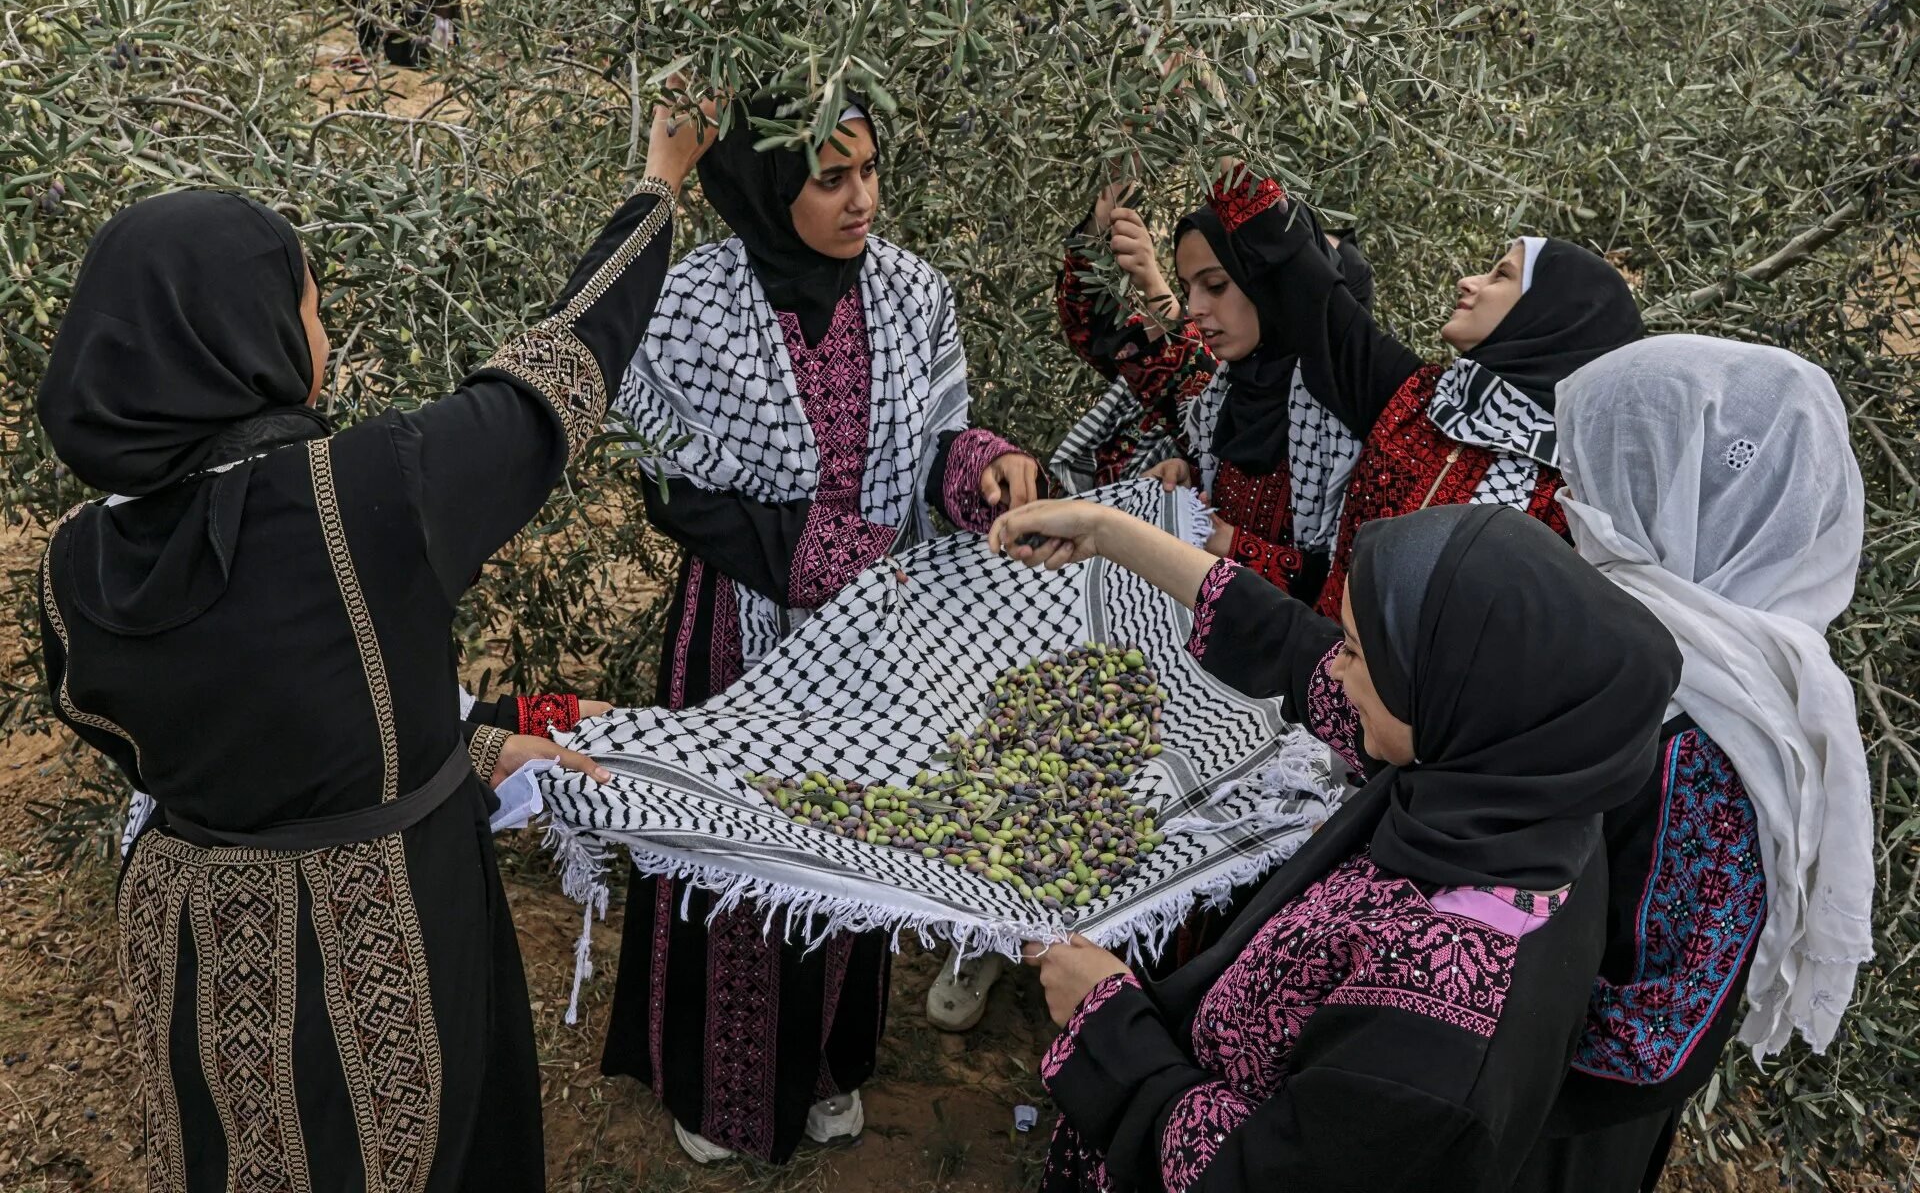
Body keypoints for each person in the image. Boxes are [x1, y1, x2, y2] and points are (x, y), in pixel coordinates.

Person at [31, 93, 713, 1191]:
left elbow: (210, 735)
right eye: (308, 305)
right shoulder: (366, 495)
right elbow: (560, 377)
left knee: (226, 1158)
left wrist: (465, 753)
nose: (324, 334)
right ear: (245, 333)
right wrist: (661, 181)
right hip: (383, 925)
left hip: (195, 941)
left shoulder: (70, 568)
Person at [984, 495, 1680, 1193]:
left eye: (1356, 650)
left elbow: (1248, 1175)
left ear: (1444, 688)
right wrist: (1108, 533)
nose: (1338, 672)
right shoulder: (1508, 786)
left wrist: (1105, 1019)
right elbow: (1289, 644)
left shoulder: (1438, 1026)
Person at [598, 94, 1042, 1165]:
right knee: (734, 853)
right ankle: (716, 1090)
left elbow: (940, 435)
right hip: (738, 636)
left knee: (845, 849)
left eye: (872, 172)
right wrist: (833, 560)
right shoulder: (696, 301)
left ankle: (831, 1069)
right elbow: (672, 488)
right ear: (765, 186)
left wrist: (984, 466)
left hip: (871, 644)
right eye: (832, 179)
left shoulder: (911, 291)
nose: (864, 200)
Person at [1511, 335, 1873, 1193]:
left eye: (1607, 475)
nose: (1571, 499)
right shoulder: (1625, 654)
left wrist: (1442, 1070)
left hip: (1538, 1133)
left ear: (1679, 497)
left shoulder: (1718, 730)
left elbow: (1653, 1033)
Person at [1207, 166, 1644, 616]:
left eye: (1500, 276)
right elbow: (1312, 294)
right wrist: (1227, 159)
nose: (1468, 282)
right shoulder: (1419, 400)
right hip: (1316, 673)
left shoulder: (1574, 494)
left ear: (1552, 315)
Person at [1053, 183, 1376, 608]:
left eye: (1217, 285)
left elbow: (1354, 593)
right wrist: (1184, 486)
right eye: (1189, 289)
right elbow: (1101, 333)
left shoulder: (1357, 427)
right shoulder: (1218, 399)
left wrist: (1229, 544)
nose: (1194, 308)